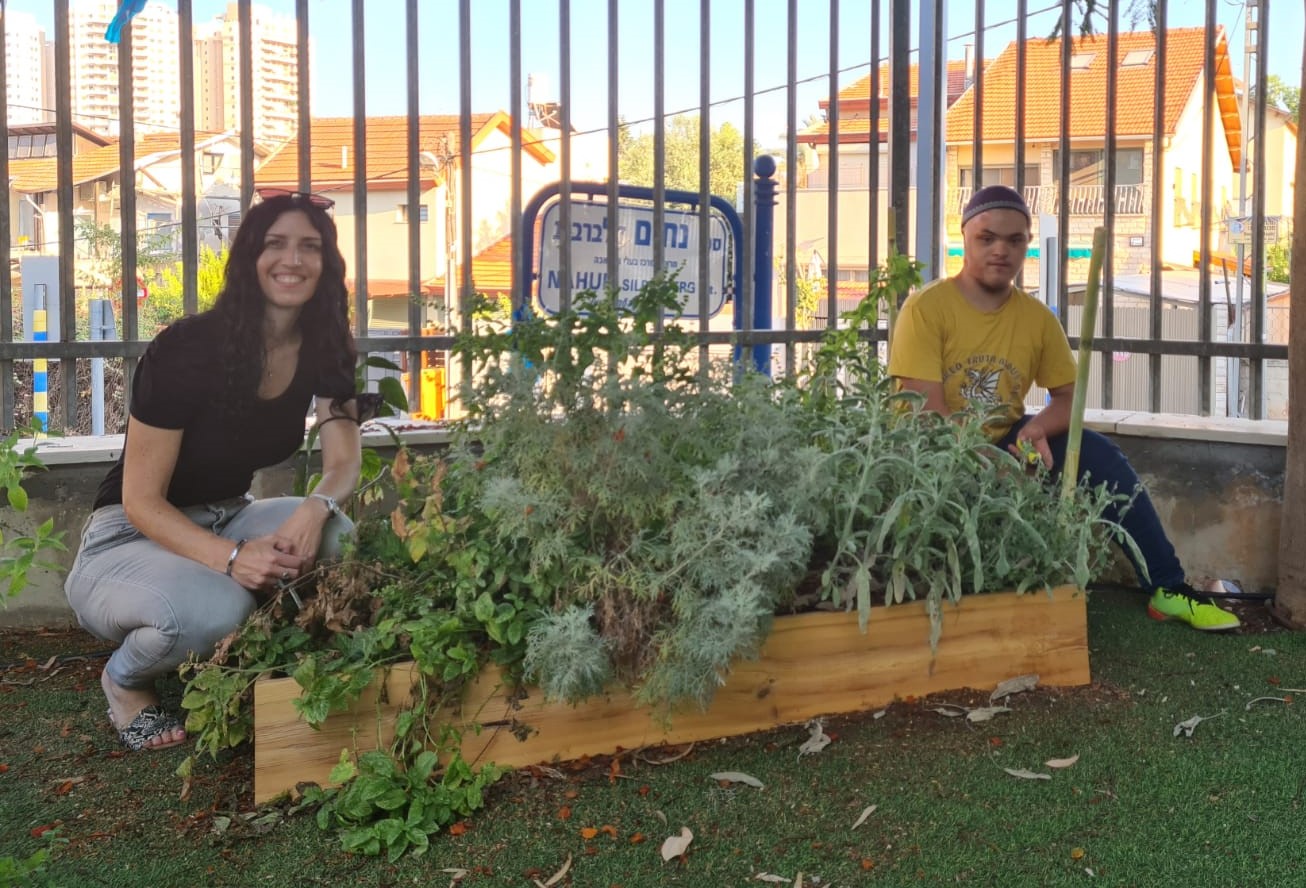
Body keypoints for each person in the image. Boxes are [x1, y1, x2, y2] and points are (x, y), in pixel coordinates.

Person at [65, 190, 364, 751]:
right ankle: (124, 681)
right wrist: (231, 559)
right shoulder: (188, 348)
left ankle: (258, 656)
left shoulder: (325, 346)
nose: (292, 260)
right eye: (275, 244)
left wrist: (313, 508)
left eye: (309, 246)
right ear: (249, 257)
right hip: (127, 540)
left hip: (229, 517)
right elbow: (141, 501)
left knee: (336, 537)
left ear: (327, 263)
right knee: (221, 607)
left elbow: (344, 460)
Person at [888, 184, 1242, 632]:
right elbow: (925, 414)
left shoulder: (1036, 317)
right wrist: (993, 462)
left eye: (1015, 240)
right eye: (987, 238)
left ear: (1026, 246)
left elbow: (1070, 397)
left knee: (1101, 456)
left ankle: (1167, 587)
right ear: (965, 239)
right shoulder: (927, 308)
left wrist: (1036, 428)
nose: (1002, 250)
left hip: (1003, 436)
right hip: (928, 451)